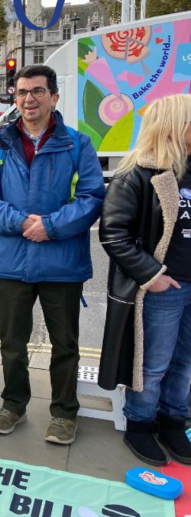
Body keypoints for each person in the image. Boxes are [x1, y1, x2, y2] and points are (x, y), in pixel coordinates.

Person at [0, 64, 104, 445]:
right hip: (11, 262)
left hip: (62, 264)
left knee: (65, 346)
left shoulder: (78, 144)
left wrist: (51, 225)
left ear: (54, 97)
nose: (28, 98)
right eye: (22, 92)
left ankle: (64, 413)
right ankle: (13, 405)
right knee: (13, 344)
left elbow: (93, 198)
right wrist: (19, 222)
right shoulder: (0, 144)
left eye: (37, 91)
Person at [99, 96, 191, 466]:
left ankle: (173, 421)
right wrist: (151, 277)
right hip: (162, 288)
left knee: (185, 362)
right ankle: (140, 424)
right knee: (151, 364)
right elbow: (113, 234)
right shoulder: (137, 174)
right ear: (172, 125)